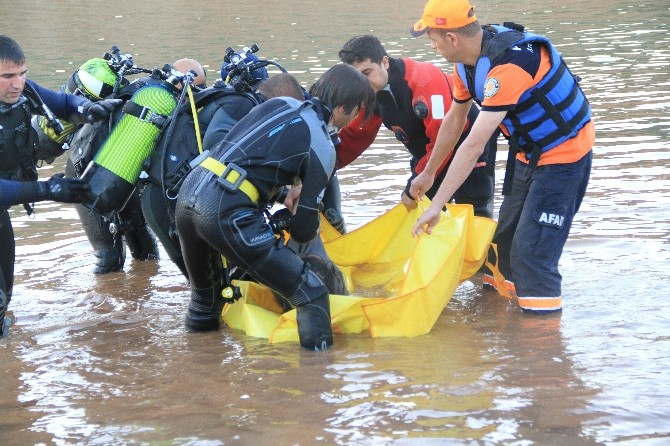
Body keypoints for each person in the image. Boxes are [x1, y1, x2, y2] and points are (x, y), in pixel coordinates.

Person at [408, 0, 594, 314]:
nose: (432, 45)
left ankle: (542, 351)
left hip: (565, 157)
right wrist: (428, 172)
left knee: (531, 255)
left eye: (433, 38)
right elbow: (455, 121)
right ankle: (504, 333)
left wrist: (437, 205)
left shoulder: (509, 68)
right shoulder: (466, 66)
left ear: (452, 38)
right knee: (501, 247)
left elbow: (473, 147)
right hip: (527, 154)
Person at [174, 65, 375, 350]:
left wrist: (282, 193)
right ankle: (319, 380)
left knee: (207, 300)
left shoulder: (281, 103)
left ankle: (200, 368)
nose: (354, 120)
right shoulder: (323, 145)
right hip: (225, 208)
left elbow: (246, 157)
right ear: (342, 108)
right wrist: (298, 222)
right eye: (357, 112)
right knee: (311, 293)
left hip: (190, 192)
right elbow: (304, 231)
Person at [0, 35, 117, 335]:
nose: (18, 84)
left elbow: (63, 103)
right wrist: (46, 190)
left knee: (5, 296)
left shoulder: (23, 93)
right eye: (7, 76)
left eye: (22, 74)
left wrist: (87, 110)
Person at [337, 34, 497, 218]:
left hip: (467, 146)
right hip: (429, 158)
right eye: (357, 77)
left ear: (385, 62)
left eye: (367, 73)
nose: (363, 83)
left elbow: (443, 136)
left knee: (474, 208)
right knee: (418, 212)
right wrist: (322, 167)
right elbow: (355, 136)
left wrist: (418, 178)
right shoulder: (370, 90)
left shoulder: (423, 80)